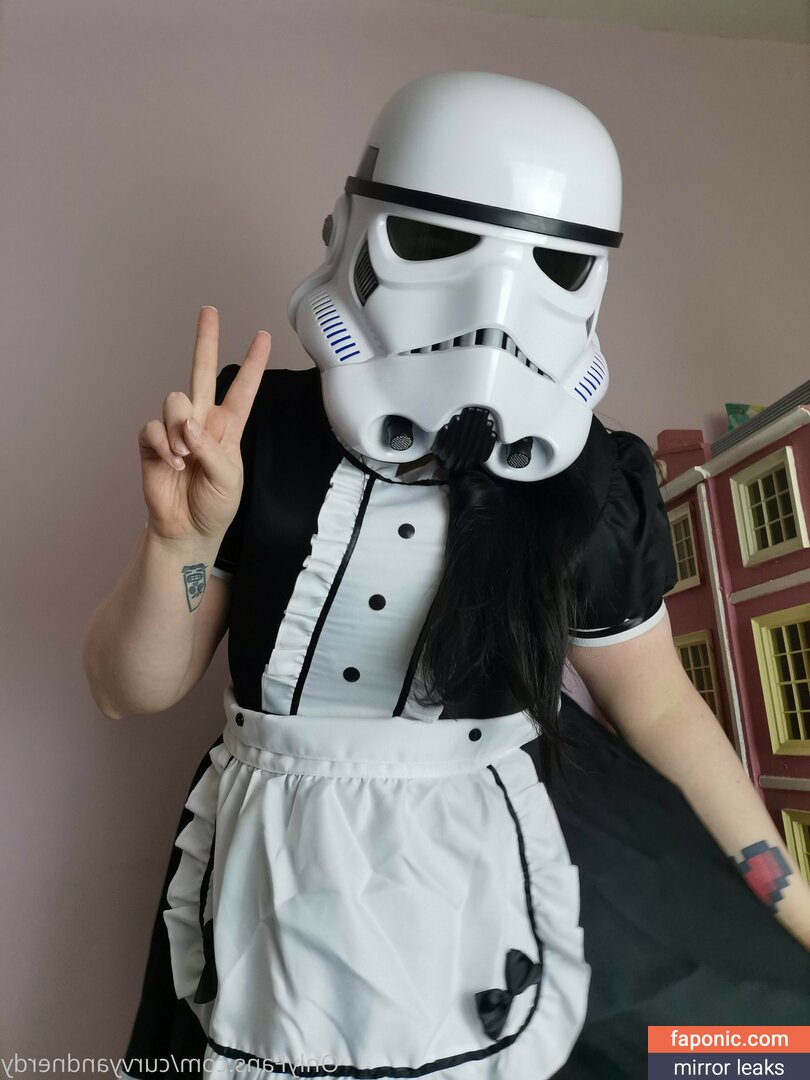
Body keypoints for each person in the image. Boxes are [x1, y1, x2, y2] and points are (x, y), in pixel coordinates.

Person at [83, 72, 810, 1080]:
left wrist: (793, 904)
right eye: (436, 242)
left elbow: (657, 706)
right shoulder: (245, 433)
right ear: (351, 233)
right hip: (281, 873)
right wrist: (180, 544)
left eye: (550, 262)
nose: (491, 308)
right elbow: (128, 690)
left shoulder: (595, 482)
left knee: (757, 1049)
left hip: (512, 842)